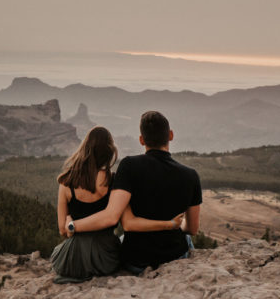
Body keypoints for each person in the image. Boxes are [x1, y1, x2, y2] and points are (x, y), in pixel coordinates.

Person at [69, 110, 201, 273]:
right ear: (171, 135)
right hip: (175, 257)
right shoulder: (191, 175)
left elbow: (124, 222)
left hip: (137, 261)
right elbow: (192, 229)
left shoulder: (129, 166)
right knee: (186, 239)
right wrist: (172, 224)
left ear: (141, 140)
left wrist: (72, 225)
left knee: (121, 239)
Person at [51, 126, 179, 283]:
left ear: (84, 149)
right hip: (105, 257)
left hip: (72, 259)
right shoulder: (114, 181)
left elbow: (63, 230)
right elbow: (126, 222)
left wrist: (71, 224)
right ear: (109, 152)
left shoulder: (65, 183)